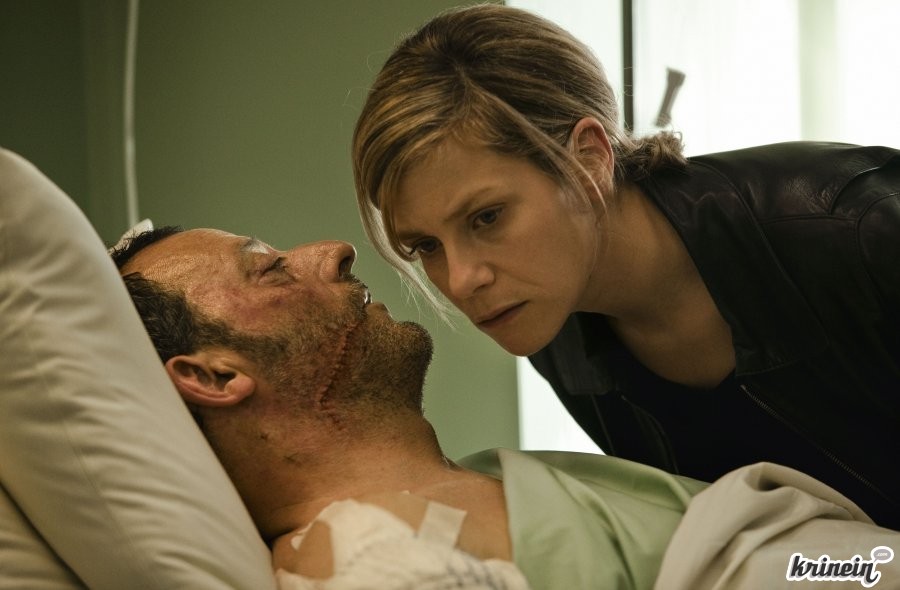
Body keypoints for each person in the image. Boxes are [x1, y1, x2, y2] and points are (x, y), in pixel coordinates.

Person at [350, 4, 900, 529]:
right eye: (426, 246)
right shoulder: (553, 327)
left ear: (588, 158)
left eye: (487, 217)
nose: (462, 280)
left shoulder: (859, 225)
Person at [110, 224, 900, 589]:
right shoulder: (360, 562)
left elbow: (835, 570)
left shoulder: (487, 481)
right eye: (268, 269)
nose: (333, 249)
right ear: (213, 375)